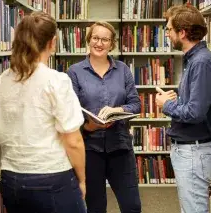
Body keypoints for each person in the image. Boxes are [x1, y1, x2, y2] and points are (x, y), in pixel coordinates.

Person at [0, 12, 86, 213]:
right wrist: (82, 179)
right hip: (51, 176)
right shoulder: (55, 81)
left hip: (11, 178)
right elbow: (73, 140)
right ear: (53, 42)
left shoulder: (0, 82)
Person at [155, 4, 211, 213]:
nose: (167, 34)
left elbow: (195, 113)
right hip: (191, 150)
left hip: (194, 151)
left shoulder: (200, 63)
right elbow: (195, 104)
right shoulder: (194, 60)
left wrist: (166, 105)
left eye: (169, 29)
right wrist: (177, 100)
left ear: (182, 32)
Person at [67, 21, 142, 213]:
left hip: (121, 146)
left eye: (105, 39)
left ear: (112, 44)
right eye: (95, 38)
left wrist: (116, 110)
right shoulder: (74, 72)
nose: (99, 43)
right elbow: (70, 111)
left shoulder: (123, 70)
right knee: (95, 207)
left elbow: (136, 104)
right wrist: (88, 126)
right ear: (88, 40)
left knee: (132, 206)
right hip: (90, 149)